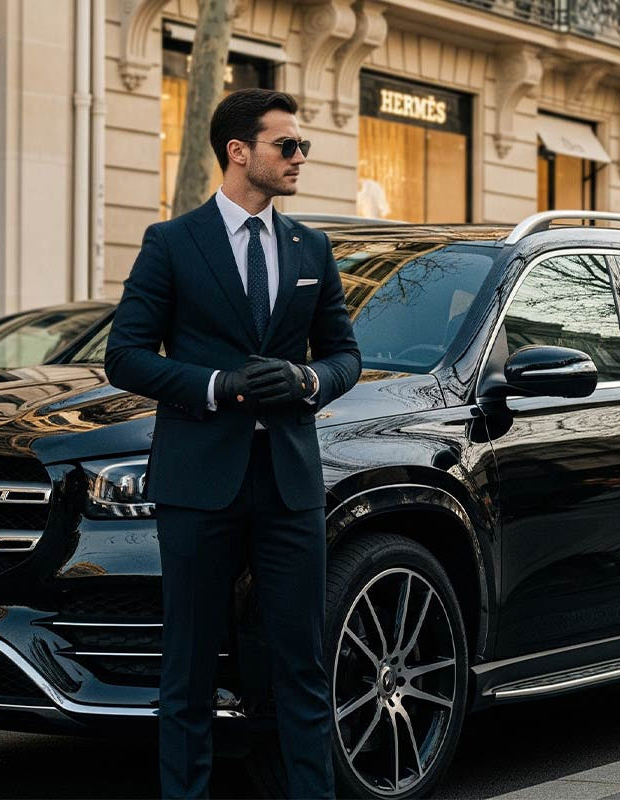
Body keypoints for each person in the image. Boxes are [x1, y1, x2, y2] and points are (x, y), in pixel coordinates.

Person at [105, 89, 361, 798]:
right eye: (288, 145)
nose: (300, 157)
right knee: (188, 667)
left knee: (303, 664)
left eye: (302, 145)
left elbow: (345, 354)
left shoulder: (310, 246)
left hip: (289, 483)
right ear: (238, 152)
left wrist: (307, 379)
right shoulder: (171, 242)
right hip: (197, 481)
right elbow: (125, 356)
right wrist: (218, 385)